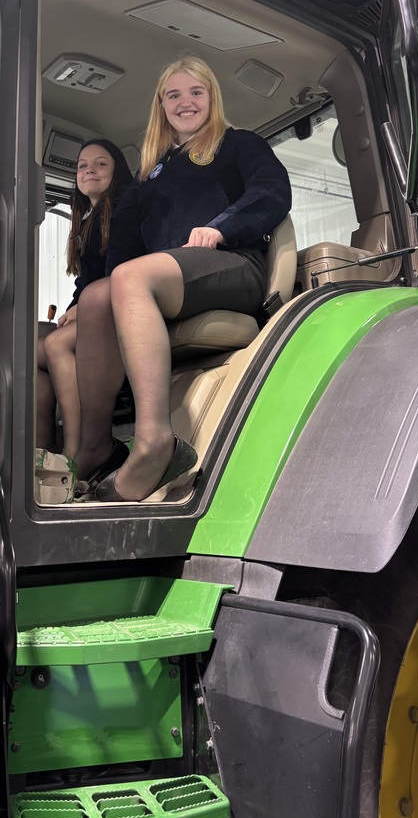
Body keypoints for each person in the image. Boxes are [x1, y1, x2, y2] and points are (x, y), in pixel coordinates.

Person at [72, 56, 292, 502]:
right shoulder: (150, 174)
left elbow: (272, 190)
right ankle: (94, 445)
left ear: (212, 98)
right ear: (161, 105)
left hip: (232, 265)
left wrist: (223, 225)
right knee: (98, 296)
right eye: (173, 94)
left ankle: (156, 442)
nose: (185, 102)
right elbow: (124, 247)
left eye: (196, 92)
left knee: (128, 279)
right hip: (171, 281)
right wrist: (109, 289)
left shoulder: (237, 144)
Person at [37, 139, 133, 454]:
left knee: (54, 343)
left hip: (119, 310)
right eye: (82, 165)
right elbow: (85, 281)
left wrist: (81, 309)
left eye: (101, 163)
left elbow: (119, 269)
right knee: (29, 351)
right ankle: (42, 456)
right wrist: (72, 308)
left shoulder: (123, 206)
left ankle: (79, 450)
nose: (89, 170)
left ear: (117, 171)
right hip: (95, 307)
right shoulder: (89, 217)